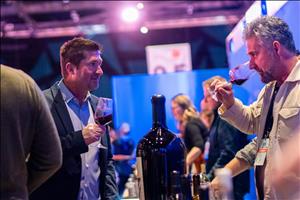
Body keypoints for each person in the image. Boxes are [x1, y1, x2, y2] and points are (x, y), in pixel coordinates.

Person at [210, 16, 300, 199]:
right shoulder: (271, 88)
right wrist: (229, 102)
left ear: (276, 48)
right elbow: (254, 125)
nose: (250, 64)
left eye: (254, 54)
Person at [30, 37, 119, 200]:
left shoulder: (98, 105)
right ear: (71, 69)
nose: (100, 71)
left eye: (100, 64)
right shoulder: (41, 104)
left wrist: (112, 197)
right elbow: (36, 157)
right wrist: (79, 139)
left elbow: (107, 161)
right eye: (93, 64)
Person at [0, 65, 62, 200]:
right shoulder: (23, 83)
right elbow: (52, 158)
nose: (100, 70)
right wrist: (17, 188)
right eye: (93, 64)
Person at [202, 76, 250, 200]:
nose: (205, 101)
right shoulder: (219, 117)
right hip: (225, 182)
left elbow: (228, 152)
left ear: (216, 94)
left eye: (207, 96)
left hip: (231, 184)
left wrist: (209, 177)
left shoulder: (226, 119)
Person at [171, 94, 208, 173]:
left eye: (174, 108)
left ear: (183, 107)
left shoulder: (191, 124)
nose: (172, 111)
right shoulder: (191, 122)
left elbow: (199, 146)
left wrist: (184, 164)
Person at [111, 122, 135, 196]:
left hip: (127, 170)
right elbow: (113, 156)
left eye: (127, 133)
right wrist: (128, 157)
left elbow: (132, 154)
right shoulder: (115, 142)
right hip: (118, 171)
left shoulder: (130, 142)